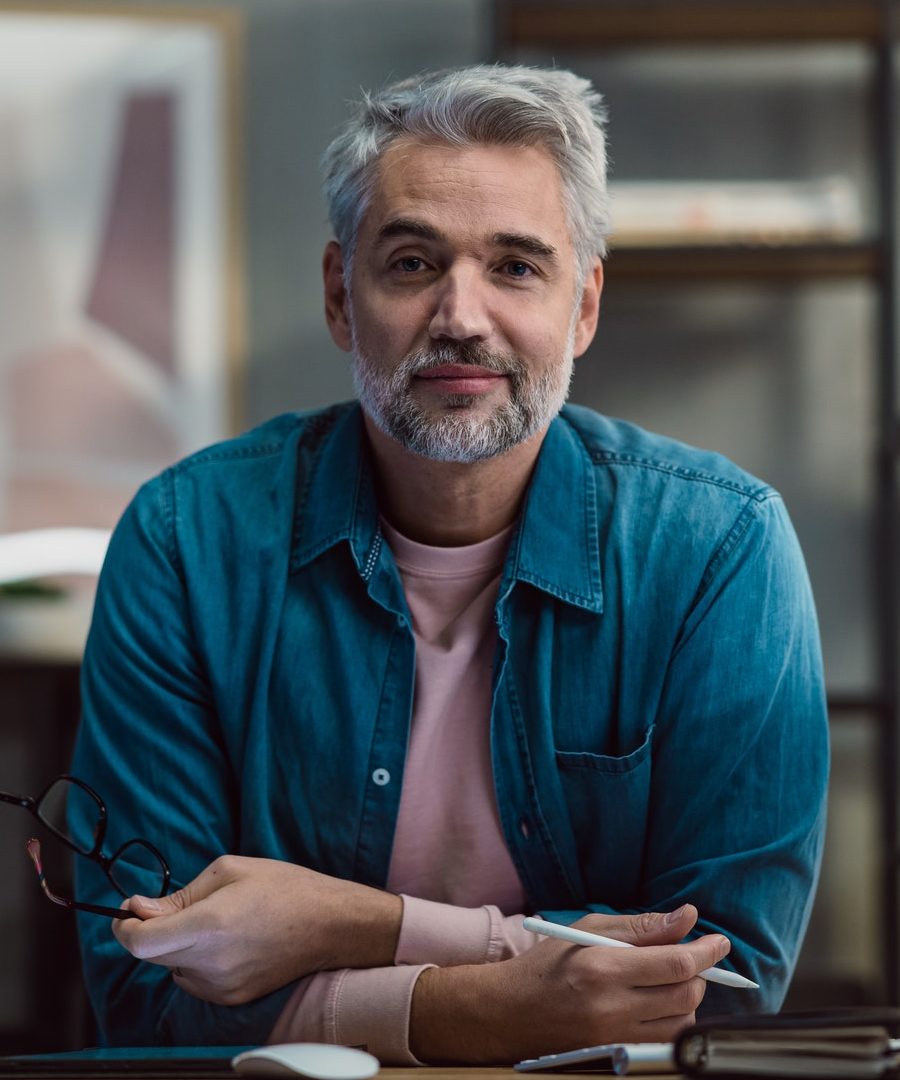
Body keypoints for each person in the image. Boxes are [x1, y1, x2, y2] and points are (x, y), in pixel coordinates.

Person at [71, 64, 829, 1064]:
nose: (462, 316)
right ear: (343, 298)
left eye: (516, 268)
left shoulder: (719, 550)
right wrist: (499, 991)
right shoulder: (184, 542)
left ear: (584, 307)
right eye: (414, 264)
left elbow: (723, 989)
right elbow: (145, 995)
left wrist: (347, 926)